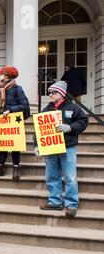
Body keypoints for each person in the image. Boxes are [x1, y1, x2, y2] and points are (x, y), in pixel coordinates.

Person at [35, 81, 88, 218]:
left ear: (62, 93)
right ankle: (55, 201)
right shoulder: (46, 110)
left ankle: (71, 205)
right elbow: (38, 130)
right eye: (50, 92)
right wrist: (37, 145)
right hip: (51, 148)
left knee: (70, 177)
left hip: (68, 147)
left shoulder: (73, 108)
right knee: (51, 176)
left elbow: (83, 122)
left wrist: (70, 128)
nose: (50, 95)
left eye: (54, 92)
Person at [0, 66, 30, 181]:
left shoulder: (18, 89)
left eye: (1, 75)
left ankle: (16, 169)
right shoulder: (2, 89)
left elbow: (25, 106)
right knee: (3, 145)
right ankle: (0, 168)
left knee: (15, 146)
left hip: (14, 121)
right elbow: (0, 106)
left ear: (7, 76)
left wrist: (11, 110)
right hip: (3, 121)